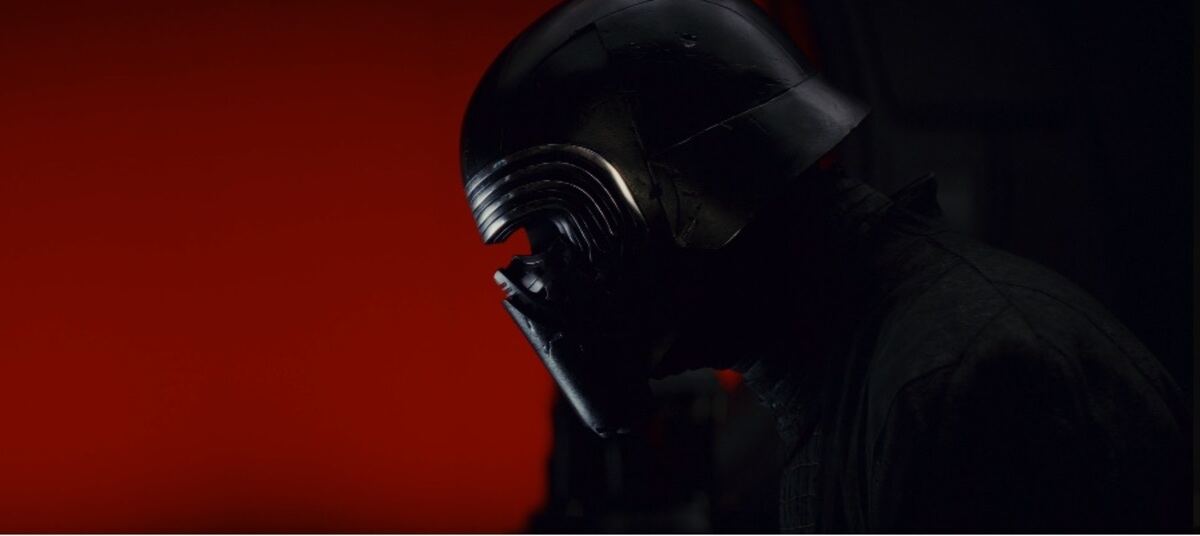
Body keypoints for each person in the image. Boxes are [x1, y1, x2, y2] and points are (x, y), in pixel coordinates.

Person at [458, 0, 1189, 530]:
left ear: (683, 187)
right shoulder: (849, 378)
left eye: (555, 239)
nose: (543, 284)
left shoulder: (961, 379)